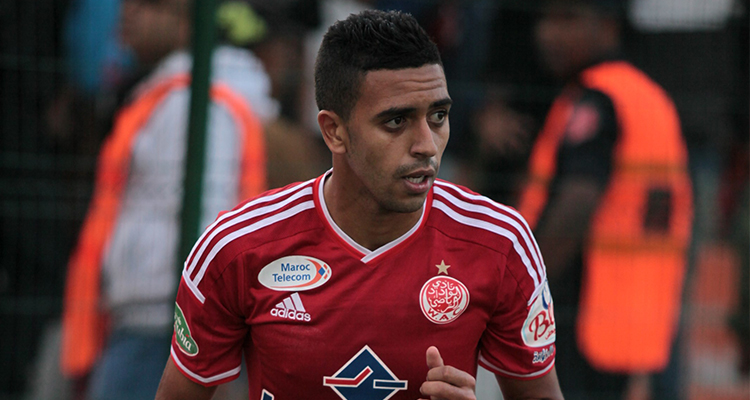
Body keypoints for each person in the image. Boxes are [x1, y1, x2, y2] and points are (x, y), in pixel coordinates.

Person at [155, 9, 564, 400]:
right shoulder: (237, 247)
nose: (426, 145)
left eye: (438, 116)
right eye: (396, 121)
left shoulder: (500, 242)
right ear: (334, 131)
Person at [59, 0, 277, 399]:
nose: (127, 12)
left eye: (148, 4)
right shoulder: (175, 94)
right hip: (152, 312)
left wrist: (186, 309)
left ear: (187, 21)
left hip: (162, 318)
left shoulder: (195, 103)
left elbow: (209, 216)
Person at [516, 0, 693, 399]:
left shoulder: (597, 99)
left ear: (609, 27)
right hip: (630, 309)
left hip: (581, 306)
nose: (549, 34)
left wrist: (524, 285)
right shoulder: (647, 96)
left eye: (568, 19)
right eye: (545, 20)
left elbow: (579, 198)